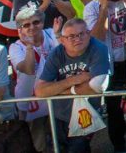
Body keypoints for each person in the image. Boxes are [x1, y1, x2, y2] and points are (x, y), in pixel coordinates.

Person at [34, 18, 112, 153]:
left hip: (85, 114)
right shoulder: (56, 54)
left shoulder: (99, 49)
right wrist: (74, 80)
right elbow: (40, 91)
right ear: (62, 40)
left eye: (82, 34)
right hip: (59, 114)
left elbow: (98, 87)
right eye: (71, 36)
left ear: (89, 34)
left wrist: (60, 90)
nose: (78, 39)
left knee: (78, 149)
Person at [84, 0, 126, 150]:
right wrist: (104, 9)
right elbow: (96, 37)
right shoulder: (92, 8)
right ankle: (119, 146)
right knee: (114, 110)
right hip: (109, 64)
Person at [9, 7, 60, 153]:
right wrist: (30, 46)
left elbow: (64, 56)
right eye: (26, 25)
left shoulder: (52, 34)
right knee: (38, 144)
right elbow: (29, 70)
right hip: (31, 101)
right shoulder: (15, 47)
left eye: (36, 22)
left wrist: (57, 35)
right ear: (20, 29)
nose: (32, 27)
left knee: (60, 139)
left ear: (42, 23)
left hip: (57, 95)